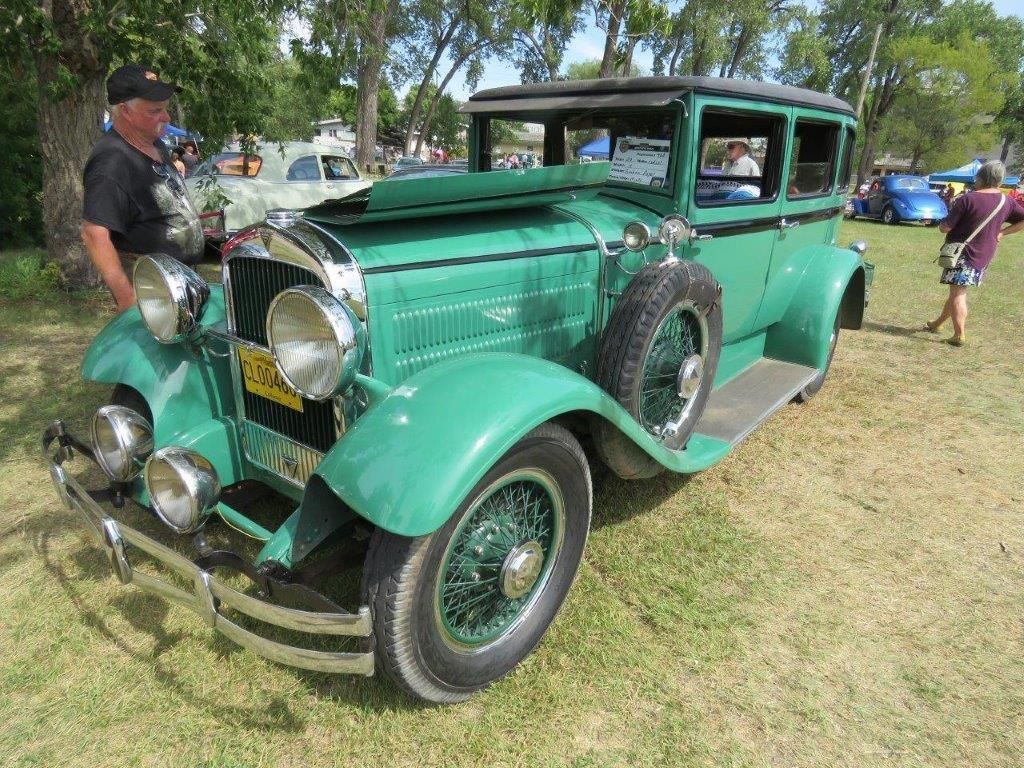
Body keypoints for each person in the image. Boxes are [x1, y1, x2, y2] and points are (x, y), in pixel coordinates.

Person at [81, 65, 204, 312]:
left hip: (180, 286)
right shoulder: (112, 161)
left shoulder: (155, 145)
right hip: (152, 293)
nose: (167, 118)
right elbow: (94, 234)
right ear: (125, 111)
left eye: (166, 108)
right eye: (156, 110)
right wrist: (128, 302)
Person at [925, 160, 1024, 346]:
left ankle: (959, 335)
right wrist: (1002, 233)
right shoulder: (1006, 201)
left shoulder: (968, 199)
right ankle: (937, 323)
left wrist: (941, 223)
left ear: (981, 178)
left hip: (962, 253)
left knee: (958, 292)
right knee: (957, 289)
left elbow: (945, 228)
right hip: (984, 253)